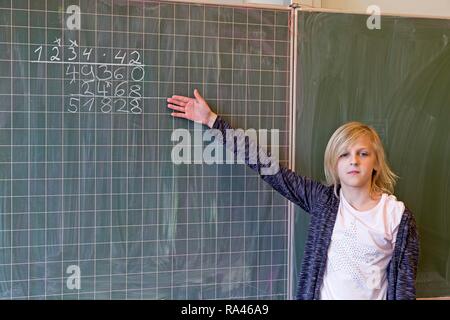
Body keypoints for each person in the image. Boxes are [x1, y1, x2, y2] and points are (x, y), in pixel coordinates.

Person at [167, 89, 419, 300]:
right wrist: (213, 121)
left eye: (363, 153)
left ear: (376, 163)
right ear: (334, 163)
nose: (353, 161)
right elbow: (269, 168)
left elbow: (405, 288)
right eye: (344, 154)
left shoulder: (396, 217)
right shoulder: (323, 202)